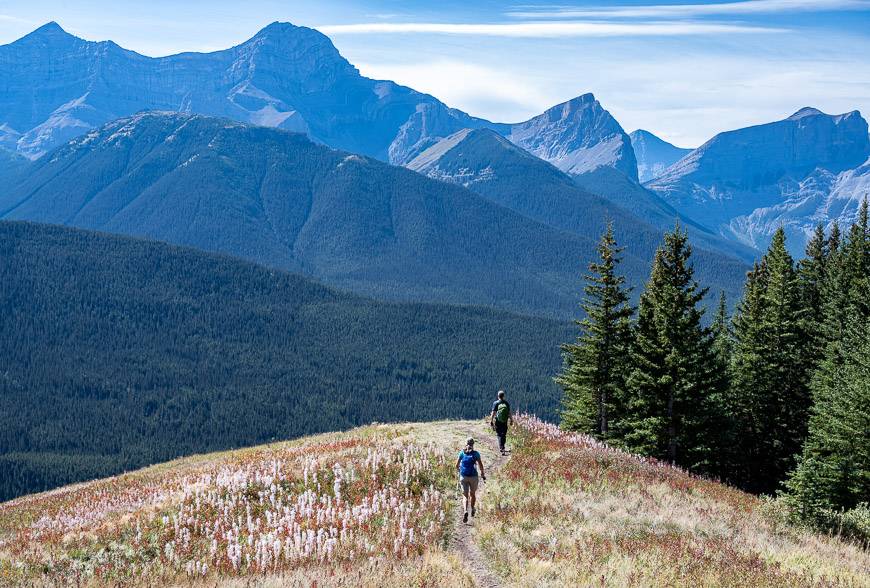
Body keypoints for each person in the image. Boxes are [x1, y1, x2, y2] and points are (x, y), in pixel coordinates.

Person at [456, 437, 485, 523]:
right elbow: (480, 465)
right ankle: (472, 508)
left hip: (463, 476)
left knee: (465, 495)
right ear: (473, 444)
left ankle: (465, 510)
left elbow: (456, 465)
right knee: (472, 494)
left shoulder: (461, 453)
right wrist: (482, 474)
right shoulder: (476, 454)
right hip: (473, 477)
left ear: (466, 443)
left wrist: (459, 471)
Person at [490, 390, 512, 455]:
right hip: (505, 421)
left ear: (498, 396)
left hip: (498, 421)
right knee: (504, 434)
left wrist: (491, 420)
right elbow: (509, 413)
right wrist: (511, 420)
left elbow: (493, 413)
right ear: (503, 396)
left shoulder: (496, 403)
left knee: (499, 434)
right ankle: (503, 446)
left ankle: (502, 448)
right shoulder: (506, 403)